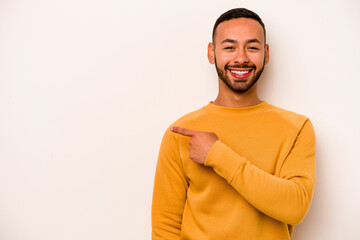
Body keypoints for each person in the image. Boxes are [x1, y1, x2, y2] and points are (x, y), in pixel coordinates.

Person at [152, 8, 316, 240]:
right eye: (229, 47)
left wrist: (217, 155)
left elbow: (295, 208)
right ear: (212, 53)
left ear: (266, 54)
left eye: (252, 47)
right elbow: (165, 228)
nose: (241, 58)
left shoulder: (297, 128)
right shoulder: (181, 132)